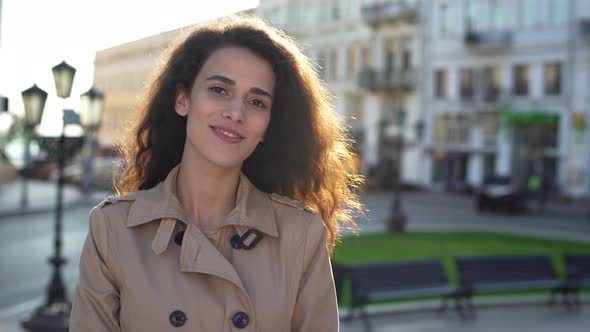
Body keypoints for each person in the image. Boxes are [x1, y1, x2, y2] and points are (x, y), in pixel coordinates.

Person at [70, 15, 363, 331]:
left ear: (267, 127)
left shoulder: (300, 235)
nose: (236, 112)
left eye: (256, 101)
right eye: (219, 89)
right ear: (183, 99)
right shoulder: (113, 229)